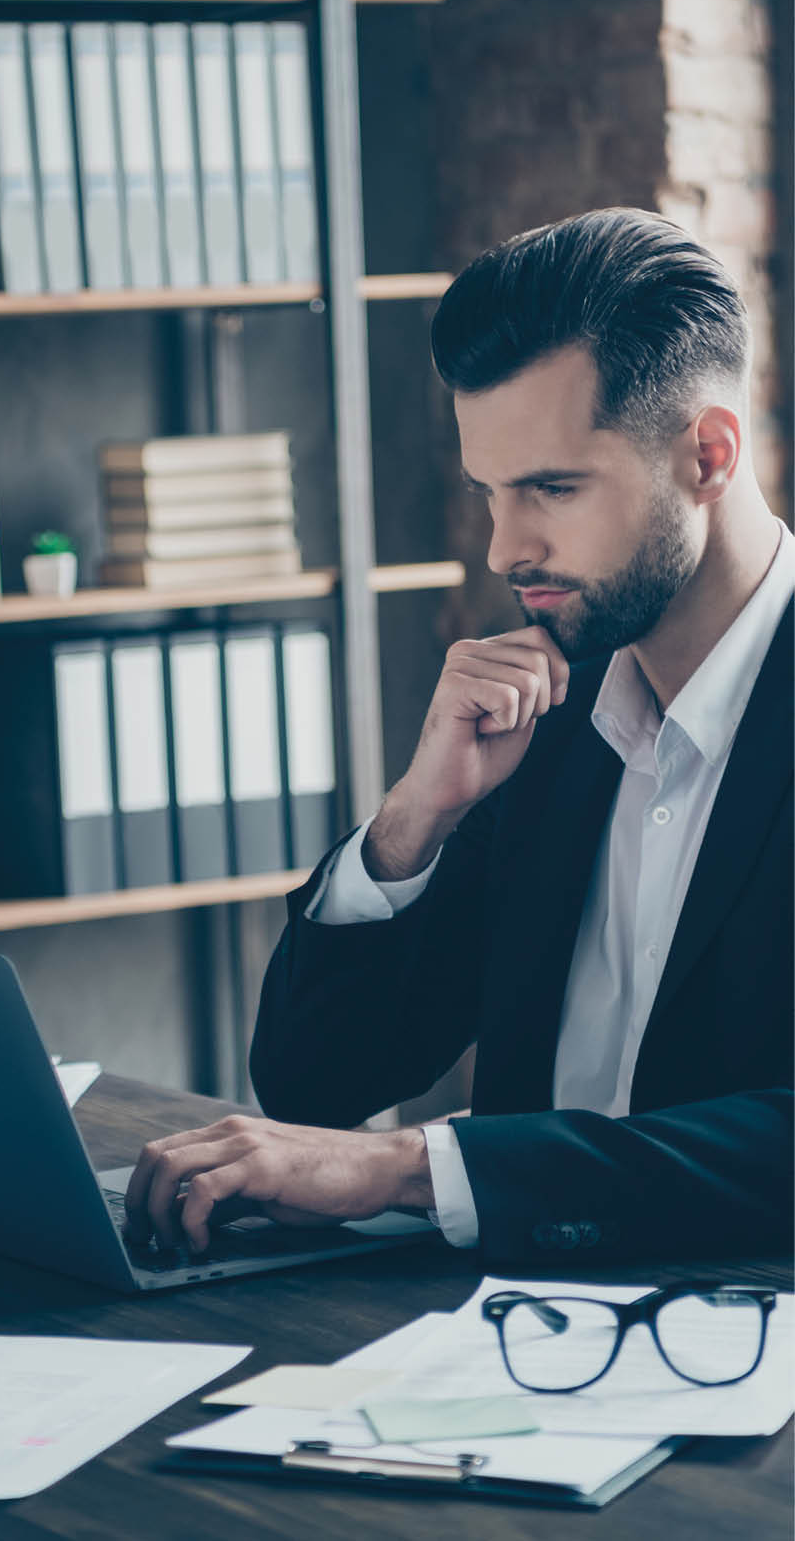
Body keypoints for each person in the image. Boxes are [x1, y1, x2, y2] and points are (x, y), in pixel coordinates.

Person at [124, 207, 793, 1265]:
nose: (503, 547)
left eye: (551, 489)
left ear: (708, 455)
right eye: (490, 491)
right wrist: (413, 822)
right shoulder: (550, 717)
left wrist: (414, 1166)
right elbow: (313, 1082)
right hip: (491, 1335)